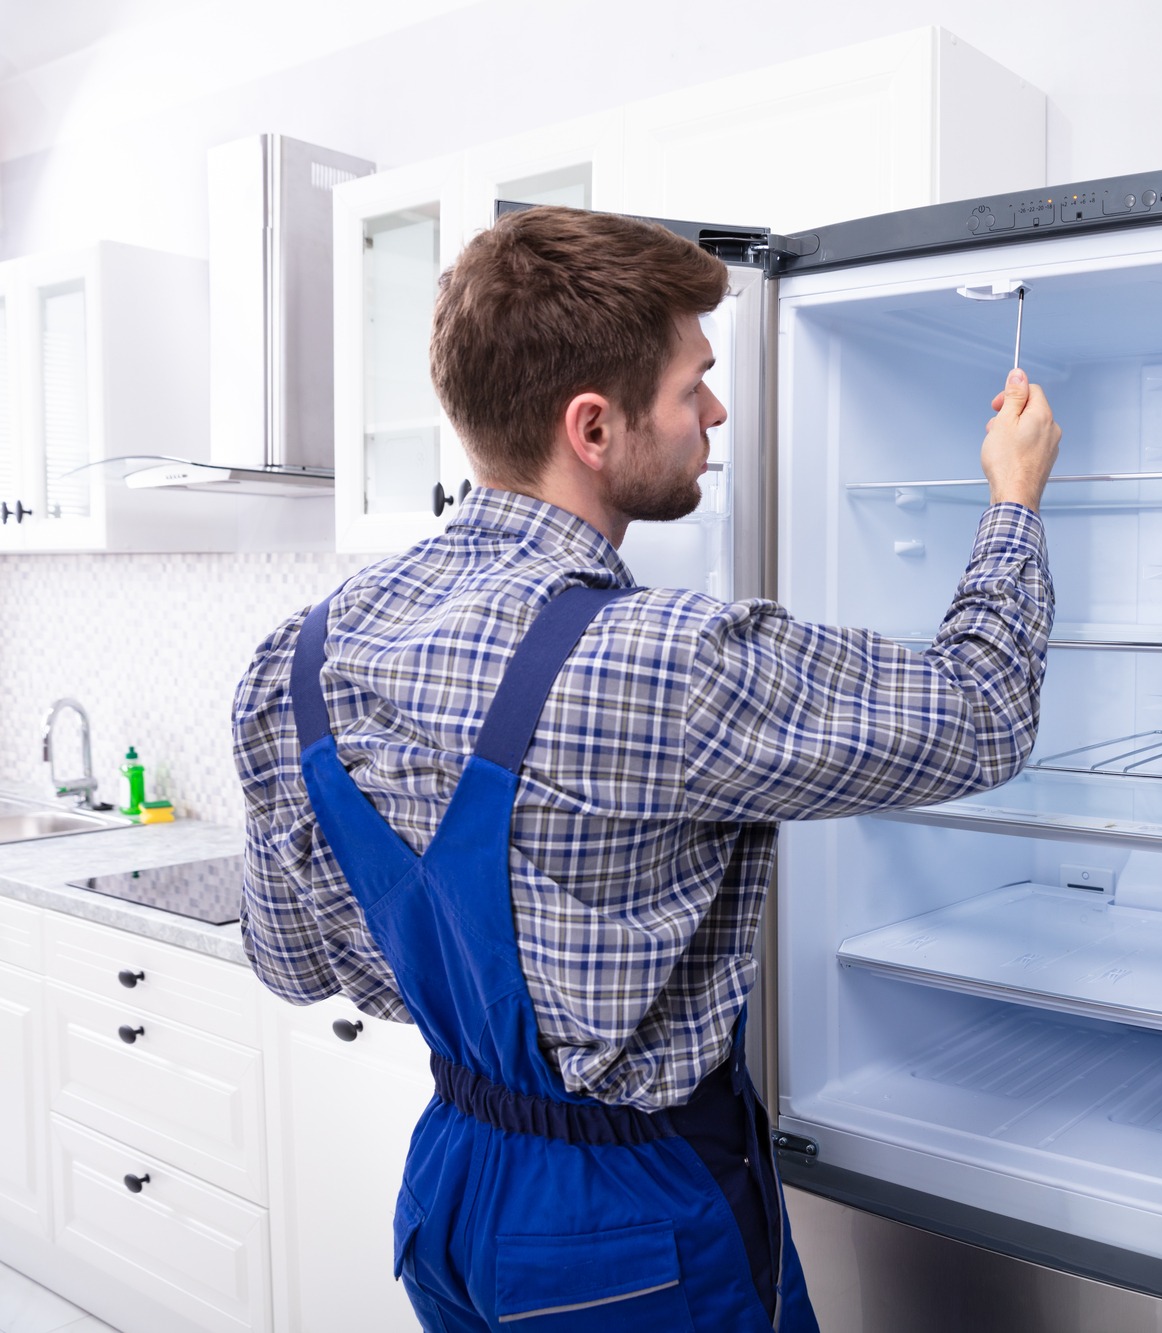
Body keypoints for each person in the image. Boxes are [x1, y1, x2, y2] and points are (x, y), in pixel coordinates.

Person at [233, 205, 1061, 1332]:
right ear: (591, 426)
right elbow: (981, 711)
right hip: (629, 1229)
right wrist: (1013, 500)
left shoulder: (300, 656)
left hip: (454, 1189)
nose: (715, 411)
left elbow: (292, 962)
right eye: (691, 387)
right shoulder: (662, 664)